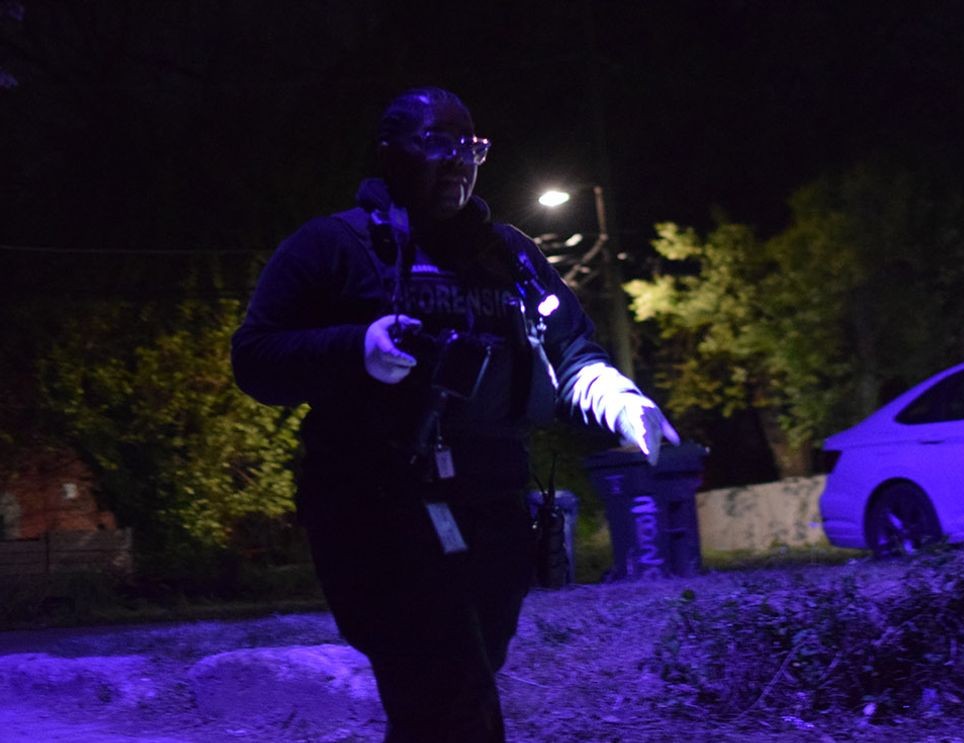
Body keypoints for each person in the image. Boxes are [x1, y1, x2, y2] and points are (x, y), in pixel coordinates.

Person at [231, 87, 678, 742]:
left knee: (446, 696)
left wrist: (619, 401)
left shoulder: (511, 256)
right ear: (391, 152)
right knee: (450, 684)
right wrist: (357, 348)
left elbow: (571, 349)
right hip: (376, 510)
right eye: (438, 144)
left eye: (472, 147)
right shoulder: (331, 247)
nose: (459, 161)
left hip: (492, 512)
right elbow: (255, 357)